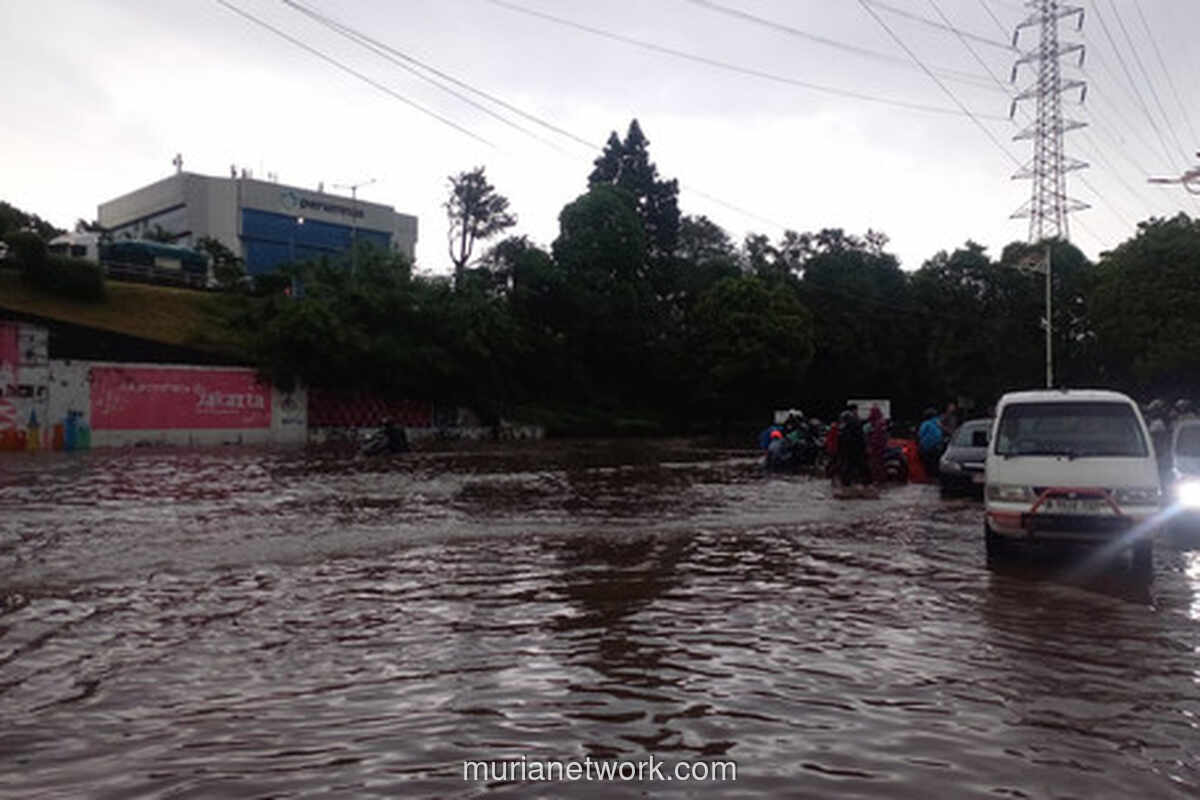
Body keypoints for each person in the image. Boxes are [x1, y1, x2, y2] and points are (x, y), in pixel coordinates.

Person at [836, 407, 871, 489]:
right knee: (859, 467)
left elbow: (859, 439)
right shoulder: (850, 426)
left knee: (854, 467)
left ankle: (849, 485)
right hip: (854, 451)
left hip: (854, 451)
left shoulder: (850, 427)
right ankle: (865, 484)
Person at [918, 407, 944, 478]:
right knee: (935, 462)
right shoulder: (938, 423)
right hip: (938, 445)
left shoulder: (926, 423)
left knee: (926, 462)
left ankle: (928, 476)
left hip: (927, 446)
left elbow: (920, 434)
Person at [866, 405, 889, 484]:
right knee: (879, 464)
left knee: (875, 464)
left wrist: (870, 445)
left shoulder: (878, 424)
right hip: (880, 447)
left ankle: (877, 480)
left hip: (876, 448)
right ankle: (880, 480)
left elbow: (876, 437)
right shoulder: (881, 423)